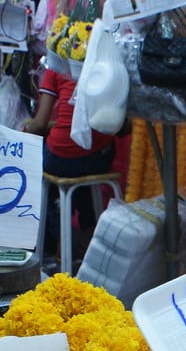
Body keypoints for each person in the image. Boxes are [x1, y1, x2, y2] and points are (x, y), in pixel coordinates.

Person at [24, 66, 125, 266]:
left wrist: (23, 132)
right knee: (78, 164)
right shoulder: (107, 69)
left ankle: (58, 241)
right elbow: (122, 127)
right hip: (98, 158)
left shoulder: (55, 70)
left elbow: (39, 125)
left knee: (52, 162)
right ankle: (86, 231)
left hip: (61, 159)